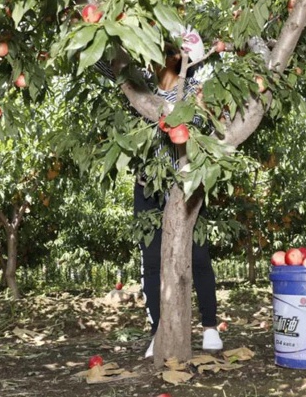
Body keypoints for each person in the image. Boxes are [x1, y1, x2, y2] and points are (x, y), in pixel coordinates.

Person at [95, 27, 223, 358]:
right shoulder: (143, 91)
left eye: (163, 54)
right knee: (152, 261)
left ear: (178, 58)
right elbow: (105, 62)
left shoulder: (196, 90)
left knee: (198, 256)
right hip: (148, 187)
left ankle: (210, 327)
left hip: (185, 185)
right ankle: (158, 331)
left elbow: (206, 130)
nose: (154, 61)